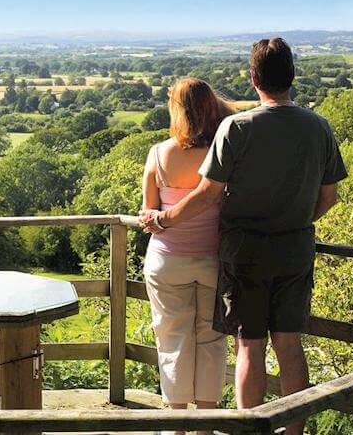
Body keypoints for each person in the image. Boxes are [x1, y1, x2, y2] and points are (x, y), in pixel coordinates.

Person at [139, 38, 347, 435]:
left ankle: (250, 430)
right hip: (295, 248)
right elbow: (330, 196)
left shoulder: (238, 127)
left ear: (253, 79)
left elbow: (208, 194)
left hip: (244, 250)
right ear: (293, 75)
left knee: (249, 346)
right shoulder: (318, 126)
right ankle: (294, 430)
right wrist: (298, 221)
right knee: (289, 344)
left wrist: (164, 220)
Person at [141, 77, 235, 435]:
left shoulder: (159, 153)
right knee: (211, 340)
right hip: (213, 259)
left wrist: (159, 217)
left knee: (171, 337)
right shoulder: (223, 152)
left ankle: (176, 423)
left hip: (168, 259)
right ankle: (206, 425)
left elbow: (147, 211)